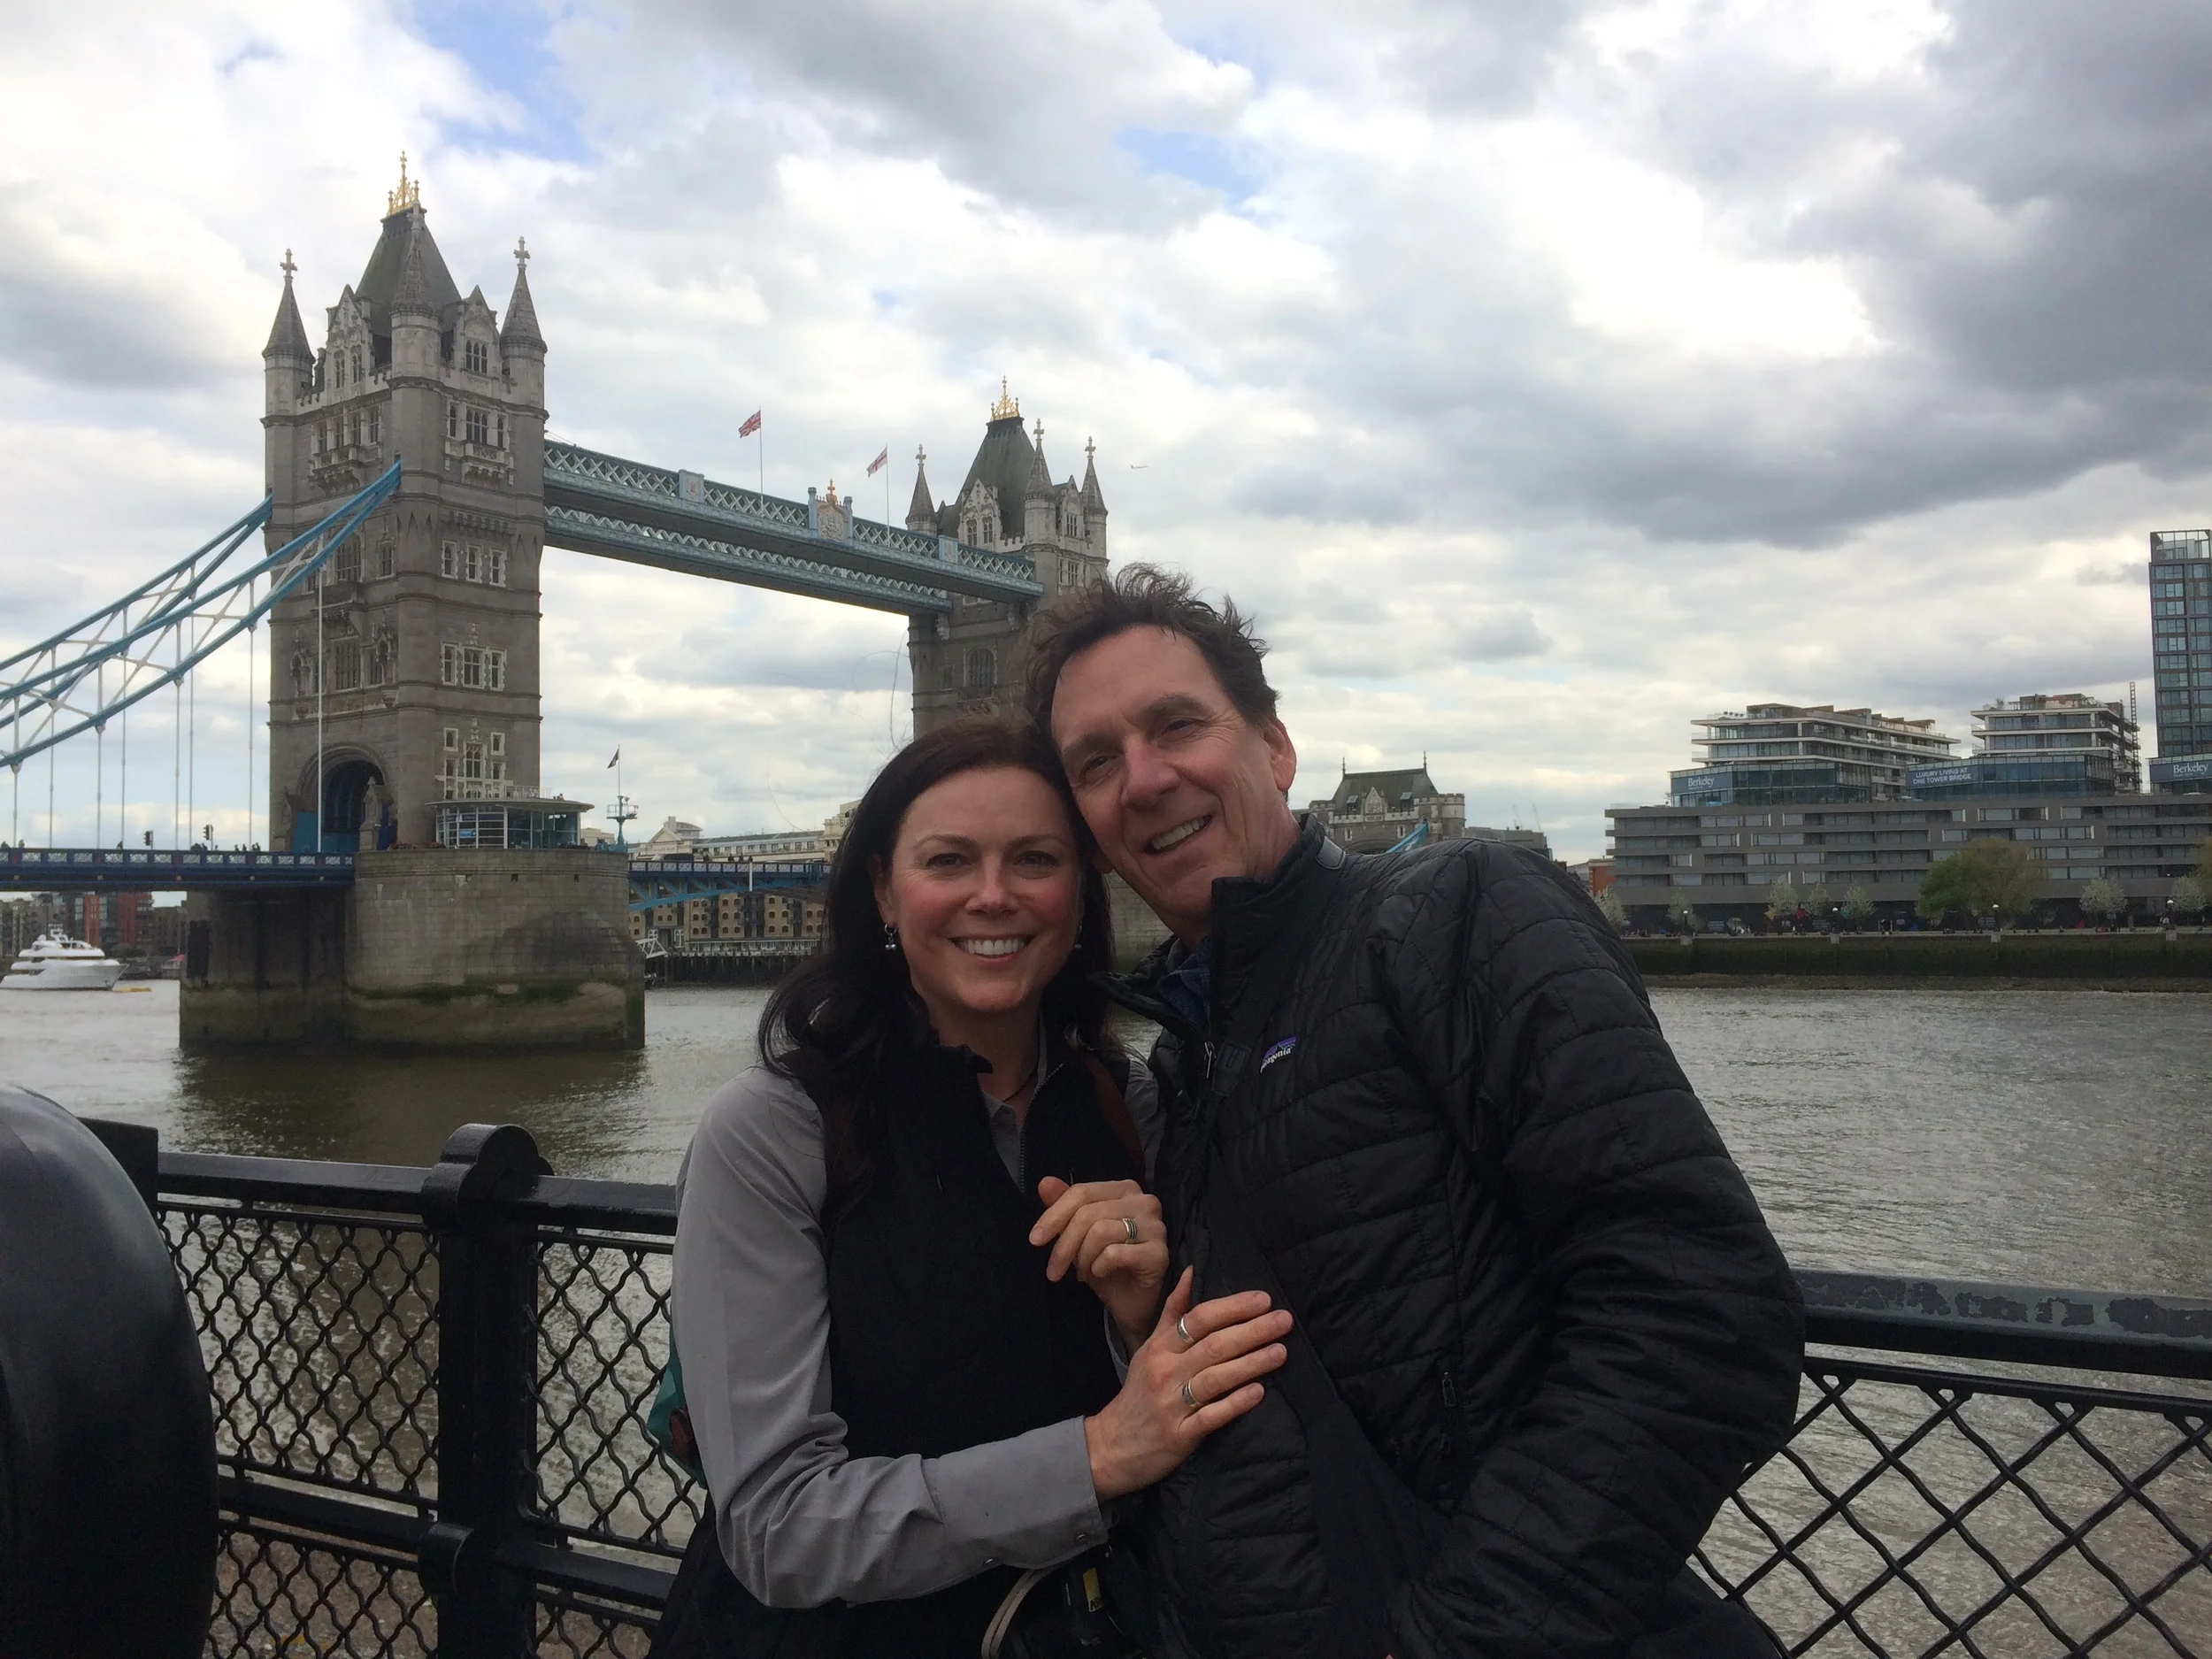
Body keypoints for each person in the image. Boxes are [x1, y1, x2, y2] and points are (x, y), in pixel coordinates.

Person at [1026, 567, 1807, 1659]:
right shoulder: (1172, 1072)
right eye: (1096, 762)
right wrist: (1141, 1312)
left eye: (1176, 726)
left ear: (1275, 748)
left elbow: (1701, 1310)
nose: (1144, 778)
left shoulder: (1457, 914)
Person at [657, 716, 1294, 1659]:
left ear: (1078, 896)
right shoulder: (773, 1133)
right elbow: (775, 1526)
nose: (992, 897)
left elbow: (1185, 1409)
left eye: (1034, 860)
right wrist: (1094, 1459)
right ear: (881, 889)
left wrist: (1137, 1320)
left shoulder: (1135, 1109)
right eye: (948, 862)